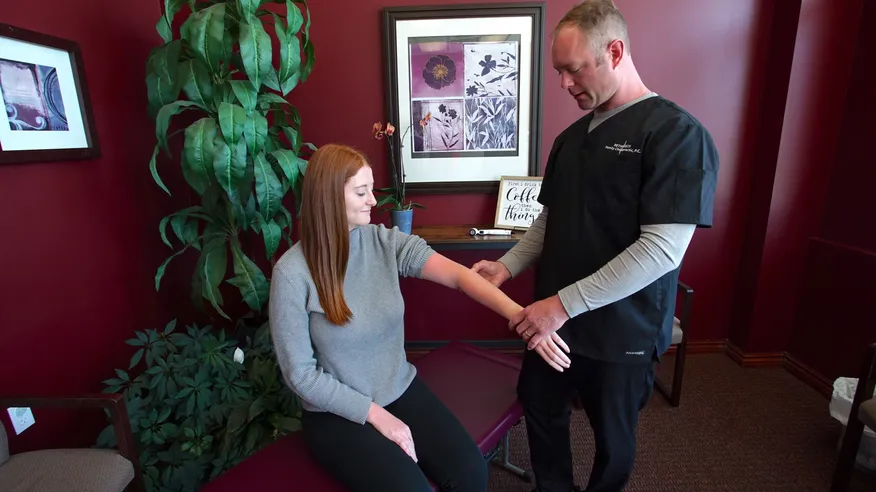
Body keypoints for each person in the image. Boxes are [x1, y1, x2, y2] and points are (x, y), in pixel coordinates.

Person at [471, 1, 720, 491]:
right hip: (553, 327)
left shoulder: (676, 135)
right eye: (560, 71)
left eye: (574, 69)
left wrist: (561, 305)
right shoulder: (568, 140)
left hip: (619, 329)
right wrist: (506, 266)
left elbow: (662, 250)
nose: (564, 84)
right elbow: (550, 219)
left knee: (613, 440)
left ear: (615, 50)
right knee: (540, 411)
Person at [268, 143, 572, 492]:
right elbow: (301, 375)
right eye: (361, 192)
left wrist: (523, 318)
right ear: (328, 197)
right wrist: (377, 415)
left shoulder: (385, 242)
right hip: (336, 412)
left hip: (398, 387)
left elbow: (460, 277)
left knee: (471, 472)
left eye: (372, 190)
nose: (373, 201)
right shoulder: (292, 273)